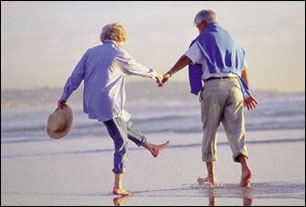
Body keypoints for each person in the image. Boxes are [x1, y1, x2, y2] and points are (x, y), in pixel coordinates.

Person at [57, 22, 169, 196]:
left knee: (126, 124)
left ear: (105, 36)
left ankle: (152, 147)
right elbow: (137, 67)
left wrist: (64, 97)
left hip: (94, 101)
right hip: (109, 102)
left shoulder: (90, 52)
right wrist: (156, 75)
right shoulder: (118, 53)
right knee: (121, 142)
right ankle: (118, 186)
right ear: (120, 37)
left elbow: (75, 77)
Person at [161, 9, 257, 187]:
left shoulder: (204, 38)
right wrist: (247, 92)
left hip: (214, 86)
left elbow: (187, 58)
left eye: (198, 26)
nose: (198, 30)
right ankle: (245, 168)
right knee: (237, 131)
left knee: (210, 132)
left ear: (204, 23)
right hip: (235, 86)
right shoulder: (232, 40)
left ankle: (211, 177)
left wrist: (169, 73)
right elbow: (243, 68)